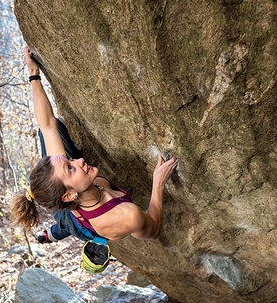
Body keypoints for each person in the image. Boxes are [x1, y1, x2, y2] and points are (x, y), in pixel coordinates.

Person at [10, 45, 178, 243]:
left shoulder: (69, 185)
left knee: (50, 130)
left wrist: (33, 73)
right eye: (71, 168)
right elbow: (154, 230)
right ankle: (54, 234)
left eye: (70, 161)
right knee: (65, 224)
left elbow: (47, 124)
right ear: (69, 194)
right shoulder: (125, 216)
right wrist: (157, 183)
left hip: (73, 200)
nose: (80, 160)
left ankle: (54, 226)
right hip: (77, 223)